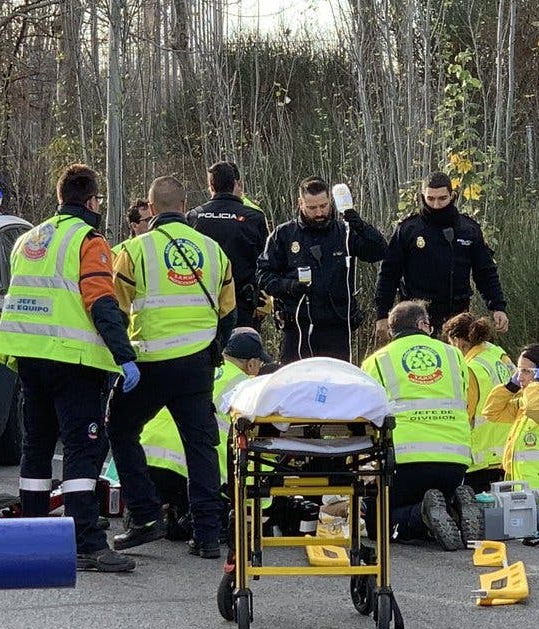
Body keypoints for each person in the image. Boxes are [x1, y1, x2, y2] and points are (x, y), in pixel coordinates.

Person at [0, 163, 138, 573]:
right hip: (72, 362)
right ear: (92, 201)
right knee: (82, 448)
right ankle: (86, 542)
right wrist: (124, 354)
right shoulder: (88, 241)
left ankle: (33, 538)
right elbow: (100, 300)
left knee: (36, 448)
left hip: (28, 357)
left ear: (59, 199)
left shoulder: (30, 237)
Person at [107, 175, 237, 559]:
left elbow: (115, 309)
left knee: (121, 429)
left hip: (148, 364)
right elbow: (228, 312)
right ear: (185, 206)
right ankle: (209, 535)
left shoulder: (134, 250)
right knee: (201, 447)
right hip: (196, 365)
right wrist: (214, 352)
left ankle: (147, 516)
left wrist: (122, 358)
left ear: (150, 208)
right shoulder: (213, 251)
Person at [112, 327, 269, 550]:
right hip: (192, 472)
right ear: (252, 364)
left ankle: (150, 514)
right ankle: (197, 529)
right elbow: (254, 455)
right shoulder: (249, 387)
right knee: (211, 480)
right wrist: (263, 502)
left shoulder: (201, 368)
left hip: (146, 462)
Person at [360, 300, 472, 550]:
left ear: (392, 331)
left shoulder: (376, 361)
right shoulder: (454, 355)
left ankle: (422, 514)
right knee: (439, 496)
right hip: (455, 460)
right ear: (423, 325)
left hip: (405, 461)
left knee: (379, 524)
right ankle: (453, 506)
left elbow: (367, 414)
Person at [257, 176, 387, 363]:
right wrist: (289, 286)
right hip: (298, 329)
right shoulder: (284, 235)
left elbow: (379, 251)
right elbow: (263, 275)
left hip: (337, 327)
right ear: (300, 203)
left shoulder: (345, 232)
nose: (319, 213)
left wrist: (357, 222)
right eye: (312, 208)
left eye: (324, 206)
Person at [375, 172, 508, 343]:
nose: (436, 205)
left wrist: (497, 306)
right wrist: (381, 315)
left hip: (456, 316)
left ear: (452, 196)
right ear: (422, 196)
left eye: (442, 198)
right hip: (416, 317)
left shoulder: (468, 229)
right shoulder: (408, 230)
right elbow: (388, 275)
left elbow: (485, 272)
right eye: (430, 199)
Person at [482, 344, 539, 507]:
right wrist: (510, 387)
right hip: (526, 499)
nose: (520, 377)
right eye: (519, 370)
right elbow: (491, 411)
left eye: (526, 372)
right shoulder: (526, 402)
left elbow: (535, 408)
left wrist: (537, 383)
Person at [186, 161, 270, 330]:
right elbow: (266, 263)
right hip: (243, 305)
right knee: (241, 354)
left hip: (203, 304)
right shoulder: (254, 217)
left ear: (211, 186)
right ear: (235, 184)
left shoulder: (193, 217)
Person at [442, 312, 514, 493]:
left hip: (482, 458)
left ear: (458, 341)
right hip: (507, 450)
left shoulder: (470, 369)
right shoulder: (498, 354)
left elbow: (464, 416)